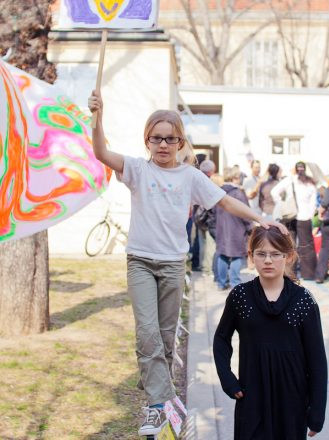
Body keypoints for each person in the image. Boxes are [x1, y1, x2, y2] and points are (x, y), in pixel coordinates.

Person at [88, 91, 287, 436]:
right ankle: (158, 404)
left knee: (165, 339)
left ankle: (158, 400)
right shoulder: (136, 168)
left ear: (180, 141)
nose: (163, 144)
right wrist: (98, 117)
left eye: (170, 138)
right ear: (147, 140)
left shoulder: (191, 177)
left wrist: (260, 219)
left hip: (172, 265)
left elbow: (224, 202)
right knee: (147, 333)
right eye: (156, 138)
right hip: (140, 262)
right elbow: (100, 152)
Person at [214, 226, 327, 439]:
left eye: (275, 254)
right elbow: (221, 338)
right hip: (252, 396)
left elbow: (317, 360)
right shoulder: (240, 297)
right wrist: (227, 378)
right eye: (261, 254)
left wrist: (317, 411)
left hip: (292, 400)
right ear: (251, 256)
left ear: (289, 256)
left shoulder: (303, 301)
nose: (268, 260)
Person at [271, 161, 318, 280]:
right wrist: (310, 214)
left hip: (289, 216)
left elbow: (274, 192)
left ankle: (290, 274)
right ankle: (308, 274)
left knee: (289, 246)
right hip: (304, 217)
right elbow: (313, 203)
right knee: (306, 246)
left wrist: (281, 204)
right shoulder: (310, 183)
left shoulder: (290, 180)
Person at [216, 167, 252, 289]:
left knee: (222, 254)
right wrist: (250, 227)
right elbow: (246, 212)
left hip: (221, 228)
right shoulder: (238, 193)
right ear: (235, 178)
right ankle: (235, 282)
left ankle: (221, 283)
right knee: (237, 255)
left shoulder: (218, 191)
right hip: (237, 229)